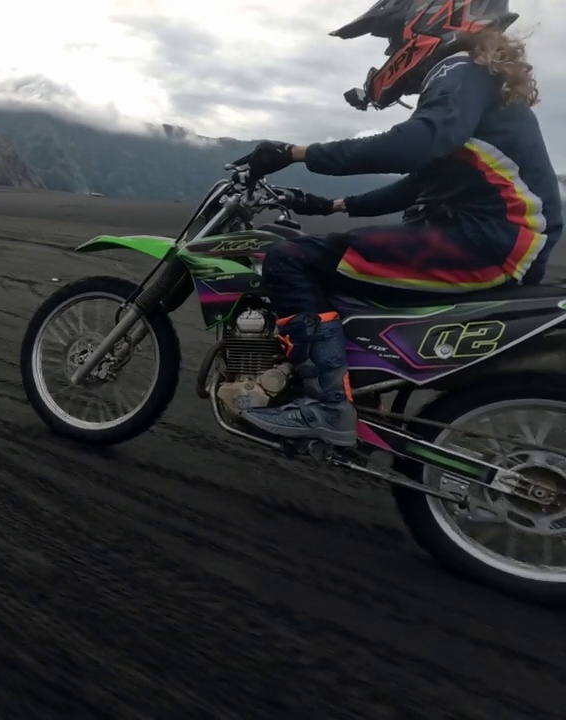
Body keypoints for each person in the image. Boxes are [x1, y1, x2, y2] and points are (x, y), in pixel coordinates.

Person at [232, 0, 562, 448]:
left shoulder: (458, 71)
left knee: (289, 261)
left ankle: (329, 408)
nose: (392, 51)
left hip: (490, 243)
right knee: (336, 270)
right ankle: (362, 398)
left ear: (429, 21)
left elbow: (414, 146)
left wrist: (295, 153)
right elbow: (421, 183)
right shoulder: (477, 79)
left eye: (394, 38)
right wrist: (329, 207)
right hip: (492, 239)